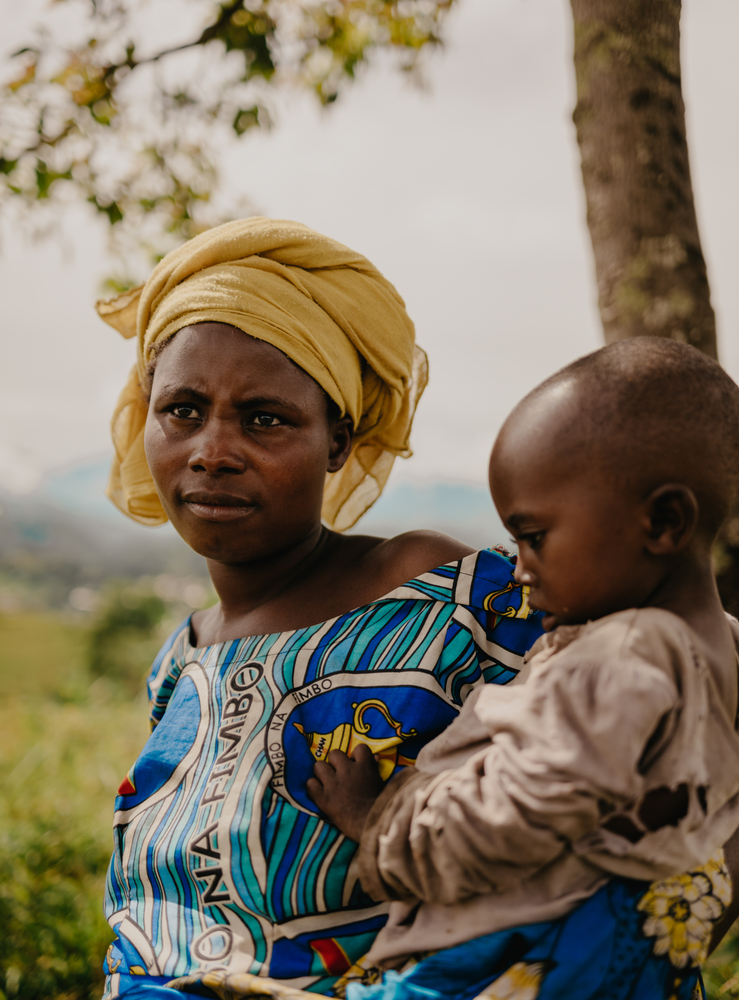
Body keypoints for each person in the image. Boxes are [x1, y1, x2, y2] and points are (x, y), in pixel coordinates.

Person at [95, 218, 544, 1000]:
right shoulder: (182, 661)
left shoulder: (432, 590)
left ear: (336, 441)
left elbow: (658, 703)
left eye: (265, 418)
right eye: (183, 410)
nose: (212, 450)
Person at [309, 338, 739, 1000]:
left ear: (663, 521)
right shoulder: (719, 654)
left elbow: (522, 814)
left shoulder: (625, 655)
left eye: (534, 537)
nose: (519, 569)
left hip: (512, 961)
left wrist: (378, 825)